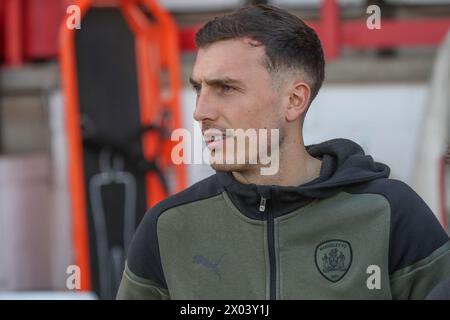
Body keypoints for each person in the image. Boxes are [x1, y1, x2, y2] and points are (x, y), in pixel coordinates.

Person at [116, 4, 450, 299]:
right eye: (198, 88)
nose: (200, 111)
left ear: (294, 100)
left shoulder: (391, 213)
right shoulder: (168, 227)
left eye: (226, 88)